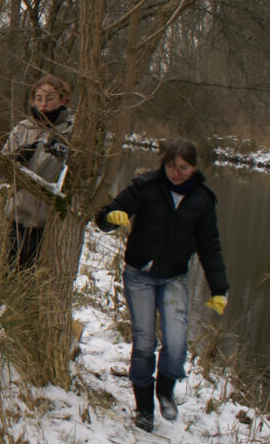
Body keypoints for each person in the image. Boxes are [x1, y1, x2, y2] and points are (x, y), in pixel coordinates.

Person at [95, 138, 229, 433]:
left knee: (177, 343)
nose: (176, 172)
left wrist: (219, 289)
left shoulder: (203, 200)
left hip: (174, 277)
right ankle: (144, 409)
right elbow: (106, 214)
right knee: (144, 344)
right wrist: (110, 219)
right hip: (139, 275)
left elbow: (210, 246)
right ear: (163, 164)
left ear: (194, 167)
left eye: (183, 167)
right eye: (170, 165)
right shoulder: (147, 187)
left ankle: (165, 390)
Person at [1, 75, 73, 270]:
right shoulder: (23, 128)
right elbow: (0, 170)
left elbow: (80, 176)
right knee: (12, 267)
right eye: (39, 98)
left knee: (38, 271)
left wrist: (65, 154)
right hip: (19, 211)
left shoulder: (70, 132)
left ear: (62, 100)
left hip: (49, 219)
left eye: (49, 99)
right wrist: (16, 158)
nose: (43, 105)